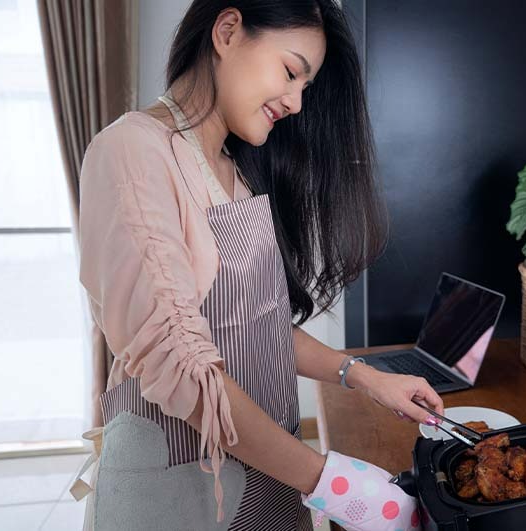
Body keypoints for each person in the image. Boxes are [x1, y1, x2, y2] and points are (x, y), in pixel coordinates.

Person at [70, 2, 442, 529]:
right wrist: (332, 484)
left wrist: (365, 377)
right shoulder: (132, 150)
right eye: (291, 72)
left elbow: (255, 328)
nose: (294, 102)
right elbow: (181, 365)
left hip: (265, 472)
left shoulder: (235, 168)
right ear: (227, 31)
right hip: (178, 484)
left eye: (304, 88)